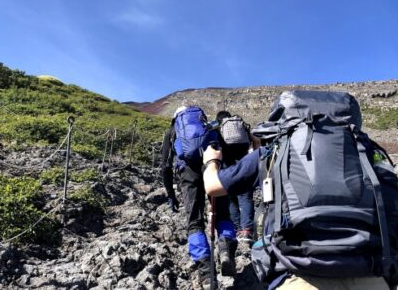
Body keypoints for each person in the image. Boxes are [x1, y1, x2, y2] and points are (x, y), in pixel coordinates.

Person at [201, 136, 393, 290]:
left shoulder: (273, 151)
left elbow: (212, 186)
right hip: (370, 274)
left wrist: (212, 161)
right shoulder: (367, 151)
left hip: (298, 275)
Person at [161, 106, 237, 289]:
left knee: (194, 223)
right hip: (212, 168)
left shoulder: (172, 132)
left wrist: (171, 195)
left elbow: (165, 166)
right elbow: (223, 150)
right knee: (224, 216)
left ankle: (206, 274)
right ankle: (225, 249)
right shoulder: (206, 126)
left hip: (188, 174)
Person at [216, 111, 255, 244]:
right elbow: (252, 140)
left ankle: (237, 229)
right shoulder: (240, 124)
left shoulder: (220, 127)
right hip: (244, 159)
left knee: (231, 196)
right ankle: (248, 230)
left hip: (227, 163)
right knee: (245, 195)